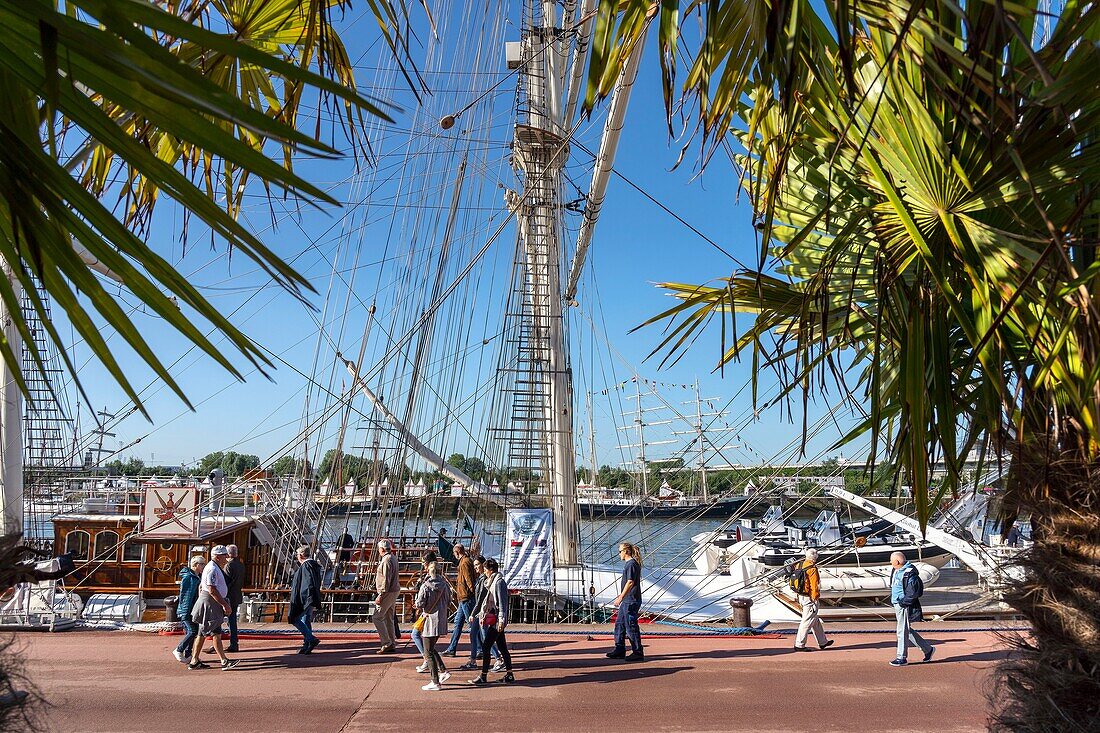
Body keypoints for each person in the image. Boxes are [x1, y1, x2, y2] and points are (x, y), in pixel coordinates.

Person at [188, 545, 239, 670]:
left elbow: (204, 587)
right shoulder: (212, 569)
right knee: (216, 632)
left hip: (210, 601)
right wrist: (225, 604)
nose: (226, 558)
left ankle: (194, 660)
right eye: (224, 555)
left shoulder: (213, 567)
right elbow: (211, 589)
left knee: (203, 631)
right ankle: (223, 660)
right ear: (217, 556)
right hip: (211, 603)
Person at [469, 557, 514, 685]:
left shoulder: (498, 583)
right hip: (495, 619)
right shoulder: (492, 582)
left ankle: (483, 676)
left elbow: (502, 603)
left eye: (486, 570)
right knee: (502, 647)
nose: (484, 572)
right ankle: (510, 674)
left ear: (490, 570)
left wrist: (501, 620)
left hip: (497, 621)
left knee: (486, 646)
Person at [414, 552, 452, 691]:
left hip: (429, 620)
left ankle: (435, 681)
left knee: (428, 651)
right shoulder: (445, 585)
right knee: (431, 648)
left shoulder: (426, 586)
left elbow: (420, 603)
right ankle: (443, 671)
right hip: (441, 619)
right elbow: (449, 601)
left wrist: (417, 603)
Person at [889, 551, 934, 666]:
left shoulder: (909, 574)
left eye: (892, 560)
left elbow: (913, 592)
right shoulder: (896, 570)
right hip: (897, 603)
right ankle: (927, 649)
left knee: (901, 630)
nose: (890, 562)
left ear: (897, 562)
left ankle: (901, 657)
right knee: (906, 630)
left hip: (903, 605)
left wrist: (904, 602)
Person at [459, 555, 499, 671]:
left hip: (482, 612)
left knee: (485, 636)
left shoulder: (484, 580)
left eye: (477, 565)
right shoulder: (480, 579)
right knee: (473, 634)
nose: (475, 567)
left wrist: (473, 613)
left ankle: (498, 658)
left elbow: (481, 598)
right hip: (479, 611)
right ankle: (473, 660)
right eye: (475, 565)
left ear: (483, 565)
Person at [606, 542, 644, 662]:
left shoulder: (631, 564)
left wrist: (621, 597)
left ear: (626, 552)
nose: (619, 554)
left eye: (620, 551)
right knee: (620, 624)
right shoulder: (629, 564)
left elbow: (630, 582)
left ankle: (638, 652)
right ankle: (620, 648)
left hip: (631, 600)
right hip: (627, 599)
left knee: (630, 626)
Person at [792, 548, 834, 652]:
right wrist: (815, 599)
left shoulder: (800, 565)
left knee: (814, 620)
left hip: (801, 596)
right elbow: (814, 586)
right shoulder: (812, 569)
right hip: (809, 598)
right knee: (807, 621)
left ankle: (822, 642)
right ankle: (799, 644)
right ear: (815, 557)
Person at [442, 543, 475, 658]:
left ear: (457, 552)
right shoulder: (464, 561)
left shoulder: (465, 562)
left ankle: (480, 649)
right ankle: (452, 648)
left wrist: (473, 593)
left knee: (472, 625)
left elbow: (469, 579)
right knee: (458, 623)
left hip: (466, 597)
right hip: (462, 598)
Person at [289, 545, 323, 654]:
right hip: (310, 598)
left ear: (301, 555)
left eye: (297, 555)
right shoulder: (313, 565)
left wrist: (305, 598)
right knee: (305, 619)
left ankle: (311, 639)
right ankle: (307, 643)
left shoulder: (307, 566)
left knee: (295, 619)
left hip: (305, 598)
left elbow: (307, 584)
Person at [173, 556, 204, 663]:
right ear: (195, 565)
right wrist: (186, 612)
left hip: (193, 609)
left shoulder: (197, 577)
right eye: (202, 564)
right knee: (192, 631)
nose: (203, 566)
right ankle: (179, 649)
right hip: (187, 610)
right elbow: (186, 596)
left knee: (194, 632)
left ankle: (188, 654)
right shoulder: (189, 578)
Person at [373, 538, 400, 653]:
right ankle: (391, 642)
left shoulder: (386, 560)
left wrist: (380, 594)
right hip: (394, 590)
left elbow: (386, 579)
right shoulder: (393, 558)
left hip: (387, 592)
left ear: (382, 549)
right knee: (389, 617)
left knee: (377, 617)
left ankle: (386, 642)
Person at [223, 544, 245, 653]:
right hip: (237, 595)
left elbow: (226, 583)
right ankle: (234, 642)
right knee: (232, 621)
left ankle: (228, 643)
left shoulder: (229, 566)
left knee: (222, 620)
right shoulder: (241, 565)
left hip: (228, 597)